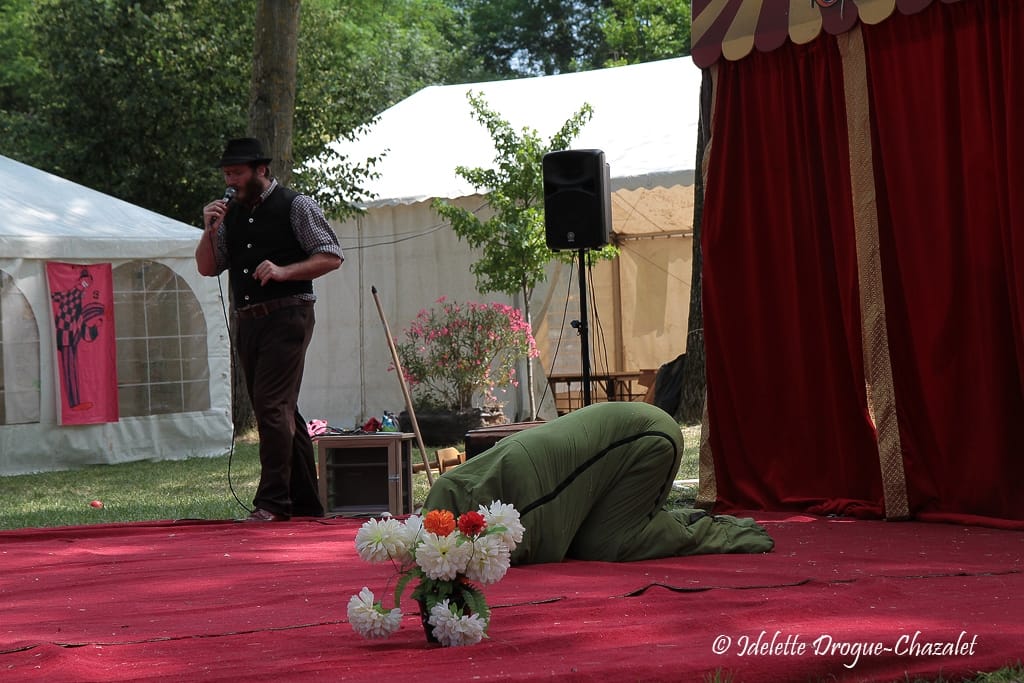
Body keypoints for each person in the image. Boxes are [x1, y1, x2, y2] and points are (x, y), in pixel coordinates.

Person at [423, 401, 774, 564]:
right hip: (627, 432)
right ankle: (661, 519)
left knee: (608, 545)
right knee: (586, 540)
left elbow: (543, 545)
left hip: (650, 438)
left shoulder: (519, 496)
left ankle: (715, 532)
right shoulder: (463, 485)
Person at [196, 137, 343, 522]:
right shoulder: (228, 214)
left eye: (237, 173)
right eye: (227, 174)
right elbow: (208, 267)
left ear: (261, 170)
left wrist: (284, 271)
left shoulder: (296, 205)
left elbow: (331, 256)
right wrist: (209, 229)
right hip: (249, 320)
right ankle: (306, 502)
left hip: (288, 314)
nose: (230, 181)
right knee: (281, 407)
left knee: (271, 406)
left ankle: (273, 502)